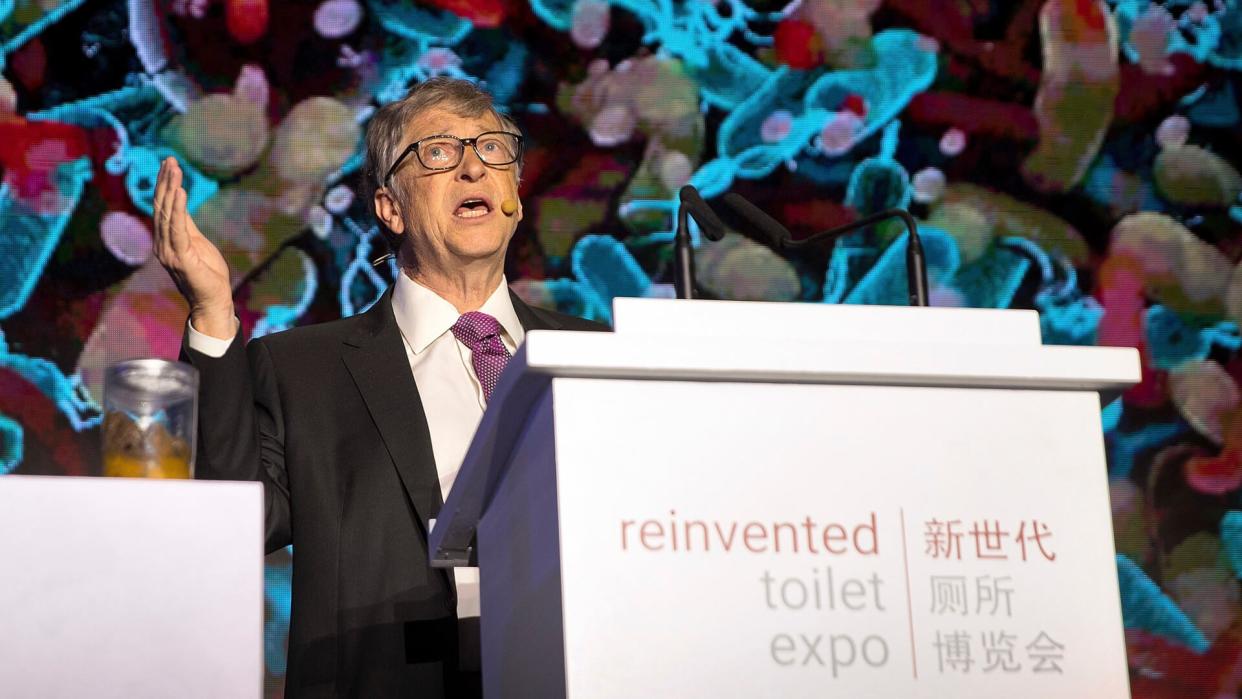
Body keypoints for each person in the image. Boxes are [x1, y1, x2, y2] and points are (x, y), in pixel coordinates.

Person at [152, 77, 607, 697]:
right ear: (389, 207)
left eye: (494, 149)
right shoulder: (301, 370)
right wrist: (210, 312)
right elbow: (234, 521)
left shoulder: (600, 357)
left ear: (516, 198)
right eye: (439, 153)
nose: (474, 168)